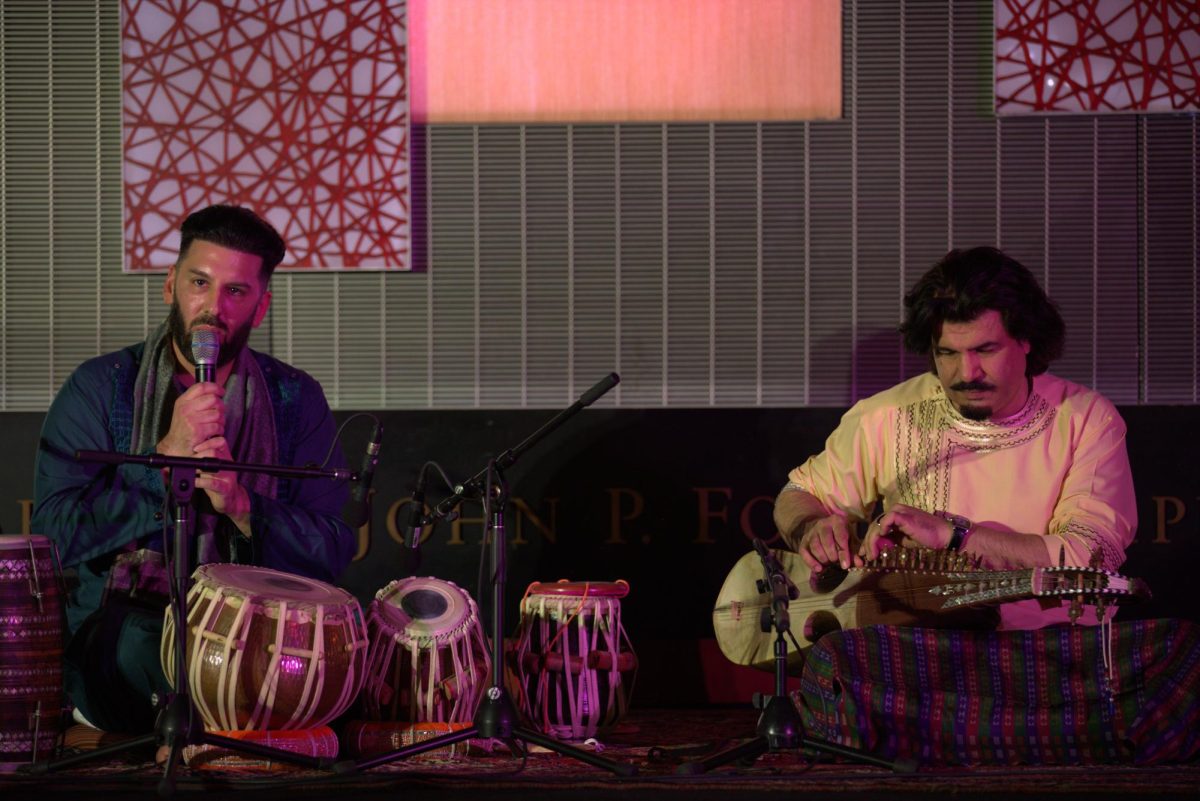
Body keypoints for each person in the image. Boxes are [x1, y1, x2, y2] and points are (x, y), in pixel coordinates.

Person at [32, 204, 355, 735]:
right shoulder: (100, 388)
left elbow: (333, 549)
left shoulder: (297, 399)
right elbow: (53, 537)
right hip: (124, 636)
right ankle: (232, 728)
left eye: (236, 291)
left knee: (314, 657)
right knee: (153, 642)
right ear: (170, 285)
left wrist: (244, 505)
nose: (212, 308)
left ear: (261, 306)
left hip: (262, 637)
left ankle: (234, 724)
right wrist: (163, 464)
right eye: (199, 282)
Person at [775, 246, 1137, 630]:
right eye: (947, 353)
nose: (967, 372)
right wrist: (812, 526)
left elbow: (1091, 555)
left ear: (1026, 339)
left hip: (1043, 654)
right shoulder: (885, 415)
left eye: (985, 349)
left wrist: (954, 536)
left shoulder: (1085, 419)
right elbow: (798, 494)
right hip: (915, 651)